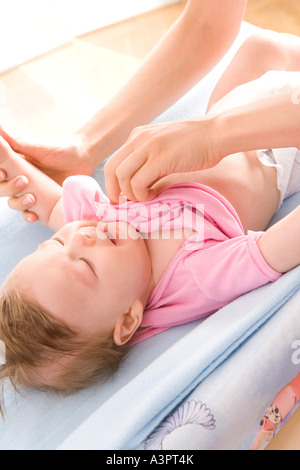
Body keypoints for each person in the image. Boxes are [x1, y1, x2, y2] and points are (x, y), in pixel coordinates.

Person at [0, 30, 300, 403]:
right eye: (86, 265)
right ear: (127, 320)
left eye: (55, 243)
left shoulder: (99, 234)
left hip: (220, 121)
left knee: (260, 48)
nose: (80, 237)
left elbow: (48, 204)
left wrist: (9, 163)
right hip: (279, 151)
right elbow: (275, 249)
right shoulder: (192, 275)